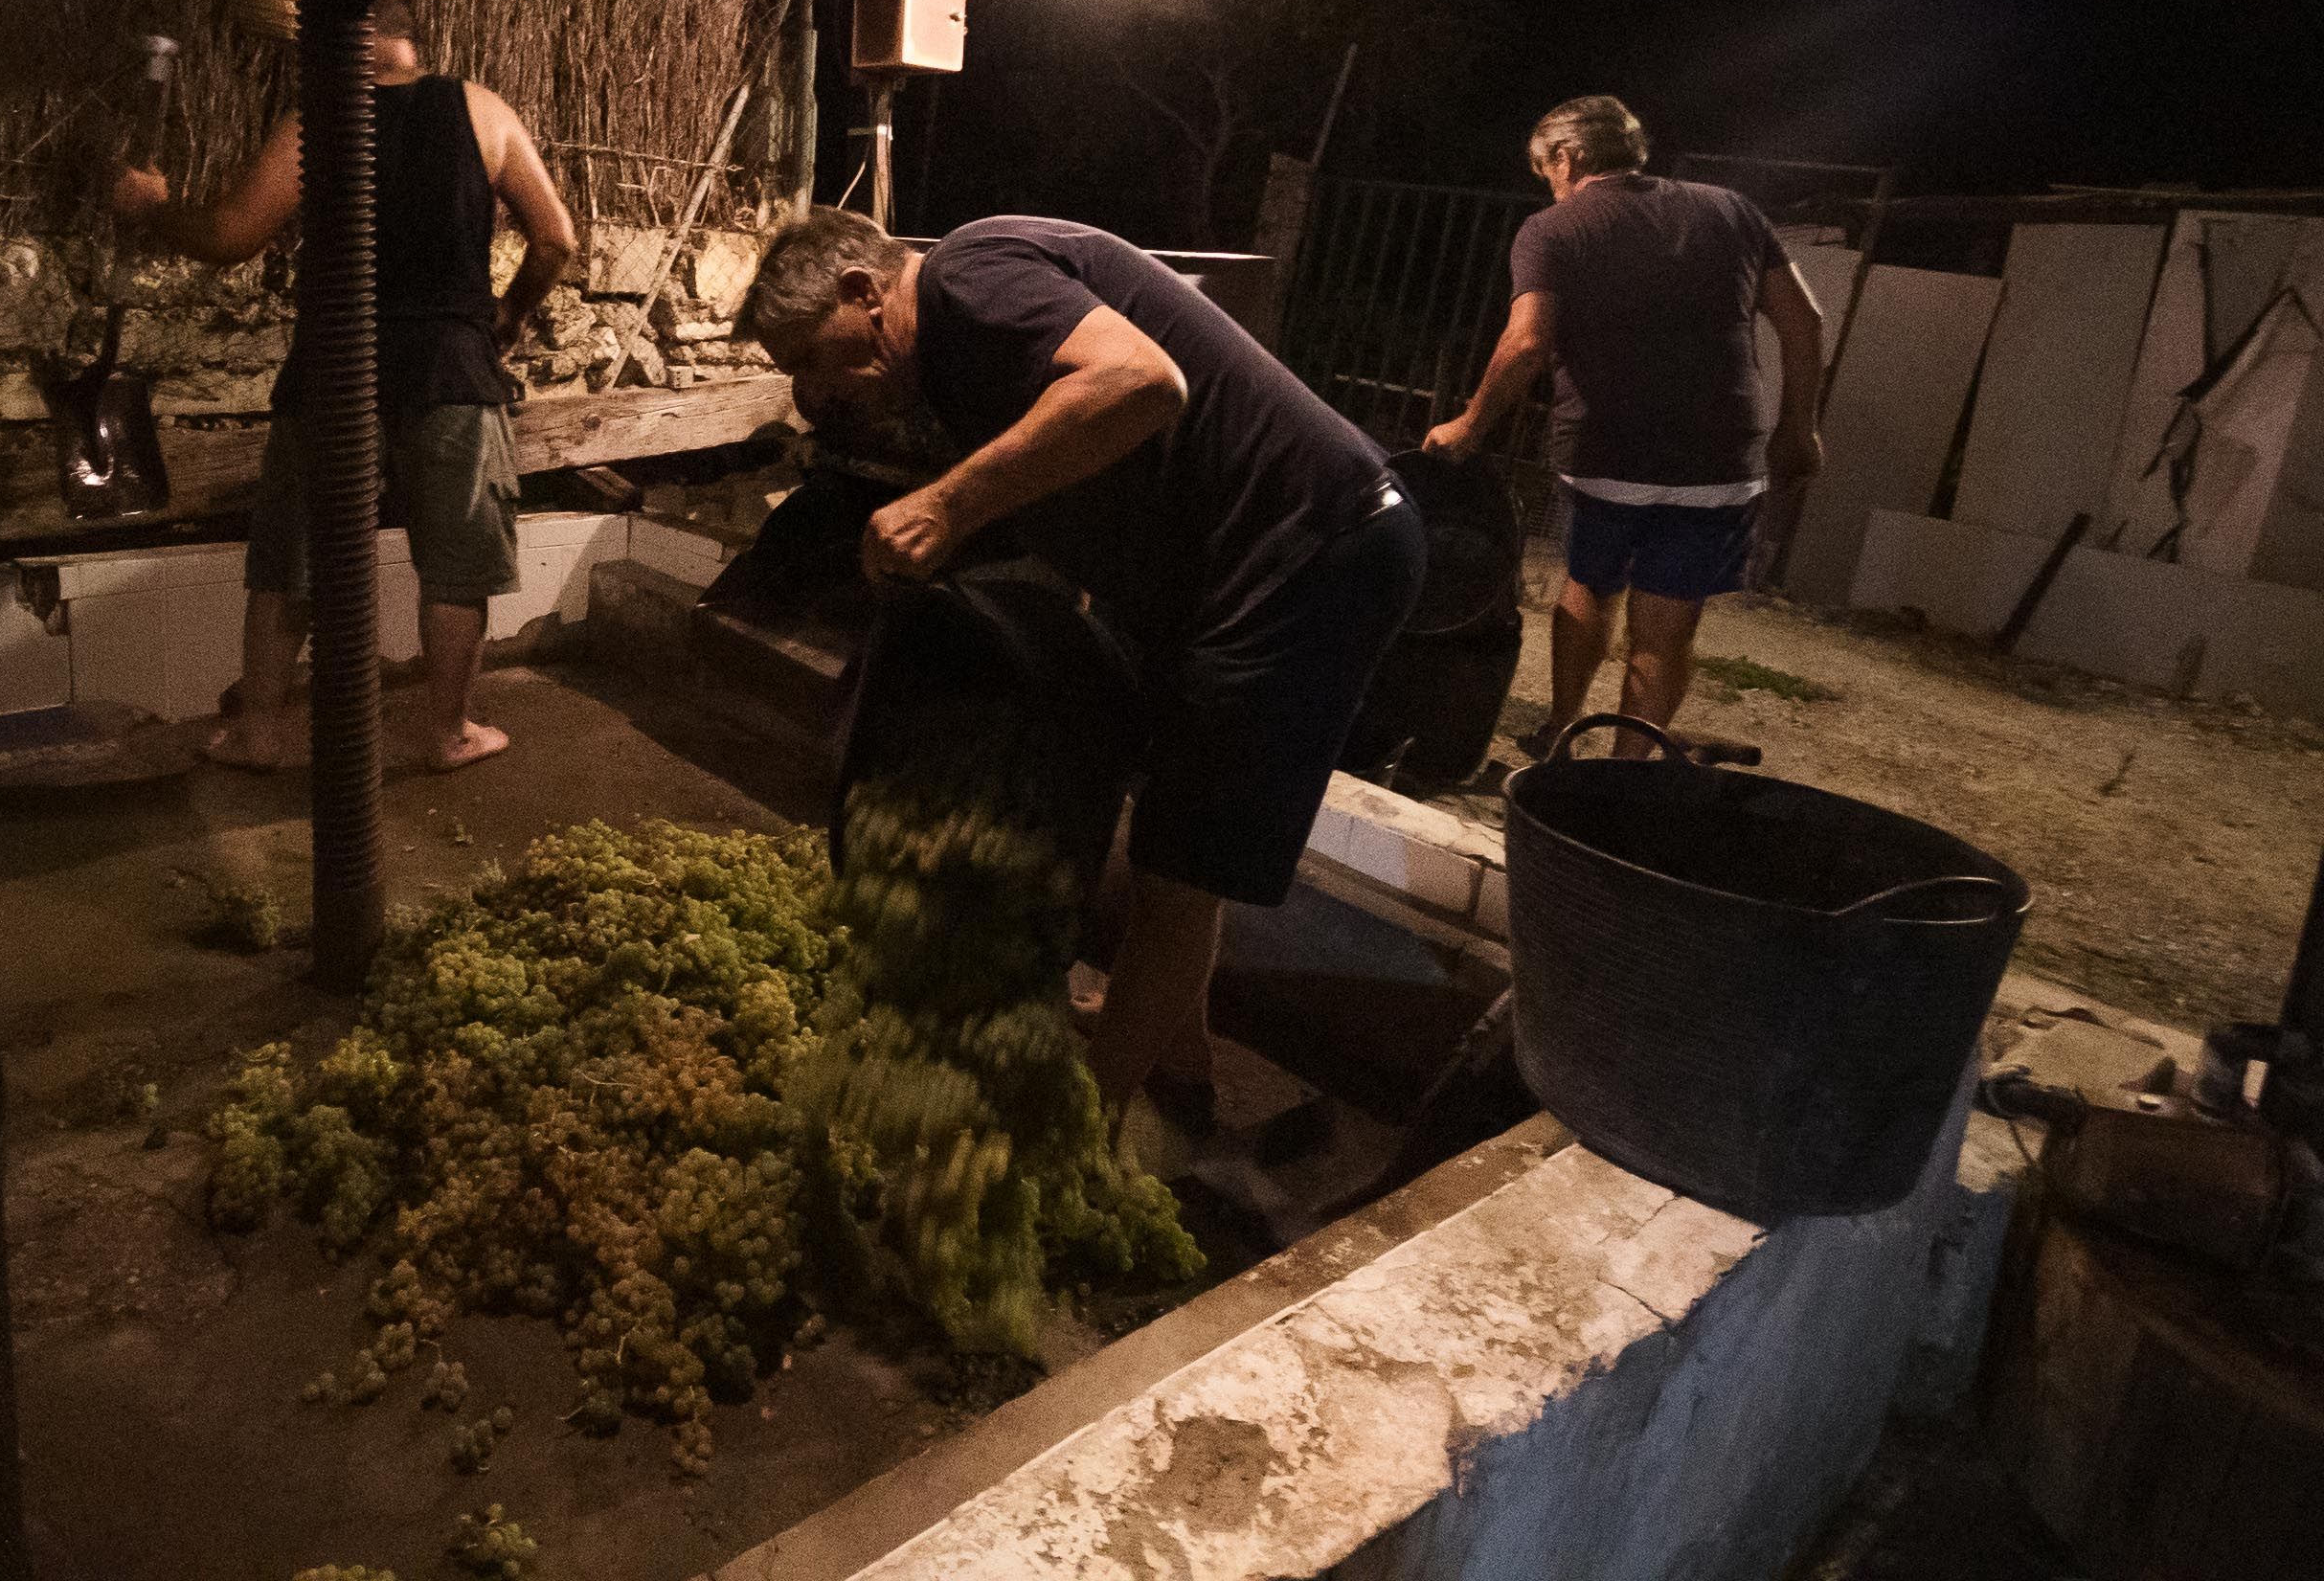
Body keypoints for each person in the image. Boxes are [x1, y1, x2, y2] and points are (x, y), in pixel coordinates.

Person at [737, 210, 1425, 1156]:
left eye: (816, 358)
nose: (817, 392)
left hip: (1307, 552)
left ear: (865, 293)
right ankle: (1176, 1062)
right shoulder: (958, 351)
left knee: (1183, 869)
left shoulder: (965, 278)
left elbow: (1142, 383)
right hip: (1254, 564)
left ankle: (1066, 1145)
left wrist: (948, 501)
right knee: (1182, 839)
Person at [113, 0, 575, 772]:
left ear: (352, 39)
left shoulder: (315, 122)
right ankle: (449, 733)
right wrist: (511, 313)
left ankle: (259, 730)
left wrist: (156, 208)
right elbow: (556, 240)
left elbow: (229, 236)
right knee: (457, 562)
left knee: (295, 553)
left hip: (334, 371)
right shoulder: (482, 109)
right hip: (452, 369)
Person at [1423, 96, 1825, 759]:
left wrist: (1470, 425)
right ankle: (1623, 770)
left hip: (1608, 454)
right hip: (1719, 463)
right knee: (1668, 627)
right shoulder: (1732, 210)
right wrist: (1799, 429)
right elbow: (1804, 322)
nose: (1549, 184)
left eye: (1544, 168)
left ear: (1568, 156)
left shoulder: (1553, 230)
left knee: (1589, 587)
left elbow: (1526, 345)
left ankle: (1560, 735)